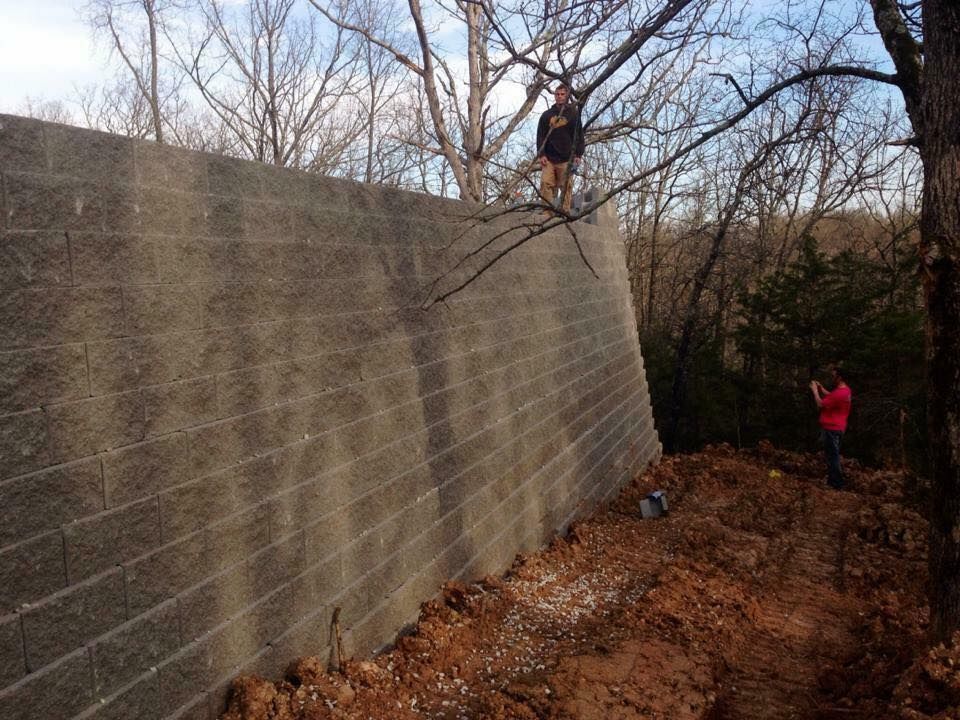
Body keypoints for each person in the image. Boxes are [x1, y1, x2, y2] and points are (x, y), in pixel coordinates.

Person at [536, 82, 585, 213]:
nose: (559, 96)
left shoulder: (573, 115)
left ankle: (563, 213)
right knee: (546, 184)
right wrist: (541, 155)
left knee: (566, 186)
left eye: (563, 94)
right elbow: (540, 136)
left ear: (567, 96)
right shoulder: (546, 115)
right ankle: (546, 214)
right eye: (557, 94)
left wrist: (578, 155)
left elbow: (579, 135)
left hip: (566, 158)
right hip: (549, 158)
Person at [809, 364, 852, 490]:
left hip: (832, 428)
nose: (832, 377)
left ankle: (836, 483)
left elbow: (820, 404)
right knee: (833, 454)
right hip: (838, 427)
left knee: (832, 456)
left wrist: (815, 391)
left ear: (839, 377)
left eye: (833, 375)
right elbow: (832, 397)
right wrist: (822, 389)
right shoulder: (845, 391)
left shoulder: (839, 393)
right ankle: (832, 481)